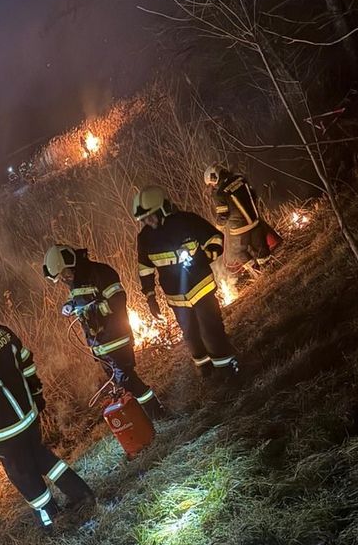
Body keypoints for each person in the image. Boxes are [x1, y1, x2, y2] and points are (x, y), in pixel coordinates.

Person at [0, 288, 94, 530]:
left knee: (23, 474)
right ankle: (81, 493)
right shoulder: (1, 332)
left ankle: (50, 519)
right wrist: (37, 395)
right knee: (42, 457)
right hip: (28, 414)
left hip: (3, 430)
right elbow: (27, 365)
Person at [41, 244, 166, 420]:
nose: (65, 279)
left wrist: (92, 311)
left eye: (65, 274)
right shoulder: (75, 281)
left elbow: (118, 300)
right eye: (61, 277)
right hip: (99, 345)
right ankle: (141, 418)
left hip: (116, 338)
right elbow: (77, 298)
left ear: (71, 263)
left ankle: (157, 414)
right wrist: (69, 305)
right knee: (121, 383)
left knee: (127, 380)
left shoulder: (101, 272)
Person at [132, 185, 240, 380]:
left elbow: (216, 238)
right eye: (144, 219)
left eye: (150, 216)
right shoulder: (145, 238)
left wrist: (203, 257)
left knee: (210, 329)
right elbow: (145, 269)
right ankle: (205, 369)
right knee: (190, 335)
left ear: (162, 209)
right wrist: (150, 296)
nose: (148, 221)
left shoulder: (187, 221)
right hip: (176, 298)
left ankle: (228, 368)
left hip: (201, 288)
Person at [204, 164, 282, 279]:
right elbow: (253, 195)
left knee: (237, 251)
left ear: (214, 178)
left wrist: (218, 228)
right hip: (255, 222)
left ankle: (257, 273)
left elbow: (223, 215)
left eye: (211, 184)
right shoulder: (241, 179)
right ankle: (270, 270)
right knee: (260, 248)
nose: (212, 186)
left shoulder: (220, 193)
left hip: (239, 229)